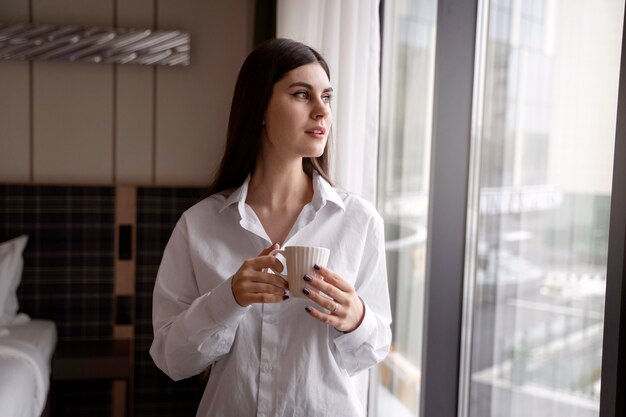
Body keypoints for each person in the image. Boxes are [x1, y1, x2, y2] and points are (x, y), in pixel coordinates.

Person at [150, 38, 392, 417]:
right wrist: (227, 298)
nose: (321, 112)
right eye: (301, 95)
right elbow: (171, 358)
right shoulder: (199, 226)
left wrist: (356, 318)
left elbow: (373, 352)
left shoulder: (359, 222)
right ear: (259, 106)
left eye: (326, 98)